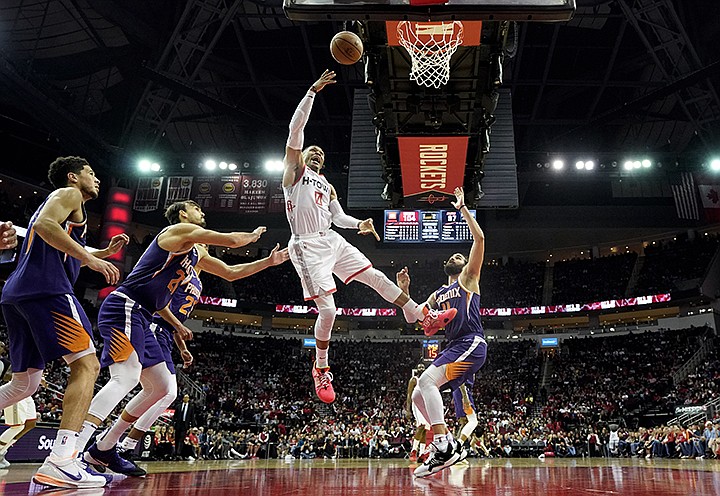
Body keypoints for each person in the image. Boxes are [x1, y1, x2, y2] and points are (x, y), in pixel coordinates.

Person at [283, 70, 456, 403]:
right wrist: (312, 91)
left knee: (376, 277)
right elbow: (295, 130)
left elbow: (338, 218)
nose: (317, 154)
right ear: (303, 157)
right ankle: (321, 367)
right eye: (312, 152)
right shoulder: (294, 173)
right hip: (305, 245)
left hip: (331, 238)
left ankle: (424, 315)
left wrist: (358, 224)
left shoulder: (327, 185)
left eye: (321, 153)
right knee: (330, 312)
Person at [76, 200, 267, 475]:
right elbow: (232, 241)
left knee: (164, 387)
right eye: (196, 208)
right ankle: (74, 449)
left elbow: (231, 272)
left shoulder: (193, 258)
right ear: (182, 214)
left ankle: (104, 448)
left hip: (143, 313)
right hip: (130, 307)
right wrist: (251, 236)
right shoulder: (176, 232)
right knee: (126, 379)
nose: (203, 212)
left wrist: (270, 261)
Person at [0, 156, 125, 488]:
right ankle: (62, 459)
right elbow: (43, 226)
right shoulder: (69, 195)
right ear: (73, 177)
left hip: (18, 293)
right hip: (47, 289)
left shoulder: (70, 215)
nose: (96, 179)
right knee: (87, 365)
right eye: (91, 172)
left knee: (24, 384)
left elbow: (60, 246)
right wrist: (88, 257)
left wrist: (97, 252)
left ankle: (62, 460)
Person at [115, 238, 288, 458]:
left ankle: (119, 443)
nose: (205, 248)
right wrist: (177, 327)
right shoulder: (180, 271)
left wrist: (182, 346)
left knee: (162, 392)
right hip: (153, 326)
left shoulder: (198, 281)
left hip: (166, 334)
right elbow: (161, 302)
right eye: (202, 245)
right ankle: (119, 443)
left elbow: (229, 274)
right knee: (157, 389)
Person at [397, 186, 486, 478]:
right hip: (452, 348)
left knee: (425, 380)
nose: (458, 255)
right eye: (455, 254)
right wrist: (405, 291)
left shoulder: (468, 280)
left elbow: (480, 238)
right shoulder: (438, 293)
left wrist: (462, 208)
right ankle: (440, 449)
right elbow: (412, 318)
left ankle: (444, 443)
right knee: (420, 394)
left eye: (462, 254)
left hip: (471, 343)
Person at [0, 341, 41, 468]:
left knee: (30, 424)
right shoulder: (11, 358)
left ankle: (2, 452)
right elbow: (7, 377)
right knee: (17, 426)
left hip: (26, 392)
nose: (3, 346)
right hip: (15, 390)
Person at [406, 362, 430, 463]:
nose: (421, 369)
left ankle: (422, 454)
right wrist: (408, 410)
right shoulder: (414, 380)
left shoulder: (427, 380)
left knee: (425, 429)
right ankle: (414, 450)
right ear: (417, 369)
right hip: (416, 404)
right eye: (419, 367)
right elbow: (409, 394)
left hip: (425, 405)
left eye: (423, 367)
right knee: (421, 426)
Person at [452, 380, 478, 463]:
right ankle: (458, 446)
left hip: (457, 391)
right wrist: (465, 397)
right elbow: (461, 379)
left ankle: (457, 454)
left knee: (464, 423)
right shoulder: (467, 367)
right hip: (463, 391)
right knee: (473, 421)